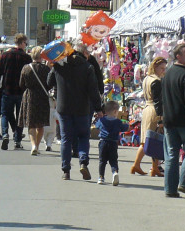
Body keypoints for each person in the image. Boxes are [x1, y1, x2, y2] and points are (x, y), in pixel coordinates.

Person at [49, 43, 103, 181]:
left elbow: (48, 82)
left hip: (64, 107)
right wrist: (99, 108)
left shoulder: (59, 65)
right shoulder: (87, 67)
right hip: (82, 108)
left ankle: (66, 170)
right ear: (84, 53)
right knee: (83, 136)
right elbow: (93, 90)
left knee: (66, 138)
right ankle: (83, 162)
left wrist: (53, 66)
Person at [157, 42, 185, 198]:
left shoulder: (167, 74)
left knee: (171, 154)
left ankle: (170, 188)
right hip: (184, 121)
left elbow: (161, 98)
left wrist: (161, 117)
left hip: (169, 120)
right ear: (178, 56)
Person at [0, 33, 32, 150]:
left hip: (7, 89)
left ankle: (5, 134)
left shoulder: (5, 55)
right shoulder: (26, 58)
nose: (26, 45)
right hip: (21, 91)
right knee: (19, 116)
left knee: (5, 113)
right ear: (21, 43)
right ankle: (17, 140)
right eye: (25, 43)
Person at [132, 56, 167, 177]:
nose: (164, 70)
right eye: (162, 68)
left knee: (149, 139)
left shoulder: (147, 78)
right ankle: (141, 165)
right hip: (154, 111)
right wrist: (161, 117)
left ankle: (153, 167)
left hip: (147, 109)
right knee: (153, 139)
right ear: (155, 67)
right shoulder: (156, 81)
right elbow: (158, 101)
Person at [19, 45, 52, 155]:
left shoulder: (26, 68)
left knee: (31, 123)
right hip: (42, 97)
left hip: (30, 96)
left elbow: (21, 84)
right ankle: (36, 146)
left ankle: (33, 145)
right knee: (40, 124)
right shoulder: (46, 69)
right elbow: (49, 84)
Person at [94, 99, 129, 186]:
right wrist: (127, 125)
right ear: (115, 111)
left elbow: (97, 126)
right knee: (113, 160)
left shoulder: (102, 120)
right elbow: (124, 128)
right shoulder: (118, 122)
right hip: (113, 143)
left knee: (102, 161)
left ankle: (101, 177)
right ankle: (114, 172)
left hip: (103, 142)